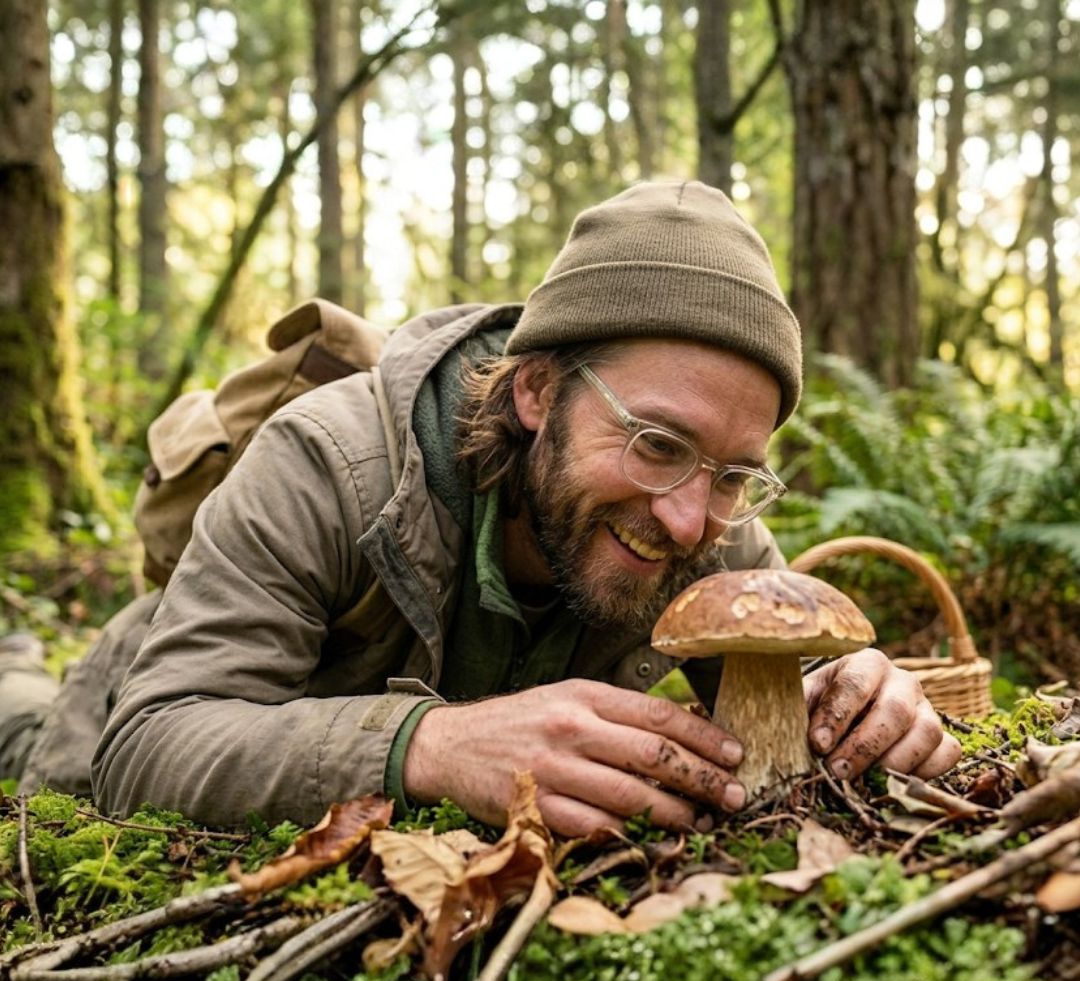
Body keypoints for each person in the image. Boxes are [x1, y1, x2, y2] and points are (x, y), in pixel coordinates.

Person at [17, 181, 961, 834]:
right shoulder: (329, 462)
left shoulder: (715, 527)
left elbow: (784, 703)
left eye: (731, 472)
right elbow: (147, 745)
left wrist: (864, 702)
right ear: (537, 392)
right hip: (93, 726)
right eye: (657, 444)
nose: (687, 521)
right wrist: (433, 742)